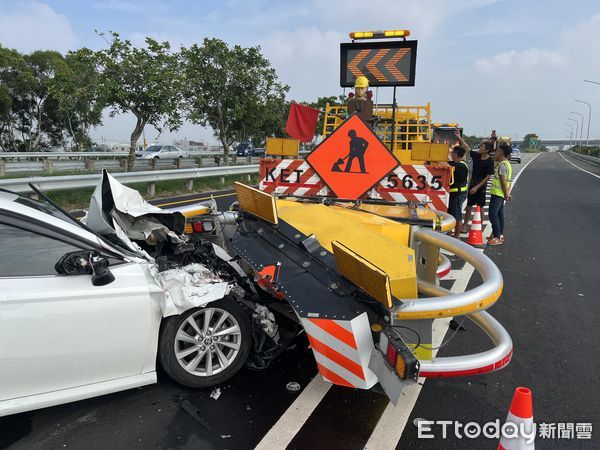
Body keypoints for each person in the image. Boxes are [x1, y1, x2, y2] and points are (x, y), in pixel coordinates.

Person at [462, 140, 494, 232]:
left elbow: (488, 177)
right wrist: (459, 137)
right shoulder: (477, 156)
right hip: (472, 185)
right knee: (468, 206)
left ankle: (479, 227)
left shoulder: (489, 162)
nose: (480, 148)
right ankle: (464, 226)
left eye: (482, 147)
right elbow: (467, 148)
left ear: (487, 150)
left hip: (481, 187)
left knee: (480, 207)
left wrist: (477, 187)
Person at [487, 143, 513, 246]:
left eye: (497, 151)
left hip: (498, 194)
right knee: (500, 215)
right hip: (501, 194)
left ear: (501, 152)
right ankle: (499, 235)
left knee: (493, 214)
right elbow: (508, 181)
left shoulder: (502, 165)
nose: (496, 153)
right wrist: (507, 193)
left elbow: (503, 181)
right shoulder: (507, 164)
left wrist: (506, 194)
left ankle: (497, 237)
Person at [447, 146, 469, 238]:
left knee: (457, 215)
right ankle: (449, 233)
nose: (451, 154)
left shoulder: (461, 166)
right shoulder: (458, 164)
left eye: (452, 153)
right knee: (450, 214)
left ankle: (457, 236)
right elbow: (450, 163)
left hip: (458, 194)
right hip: (454, 194)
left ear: (455, 154)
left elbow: (451, 166)